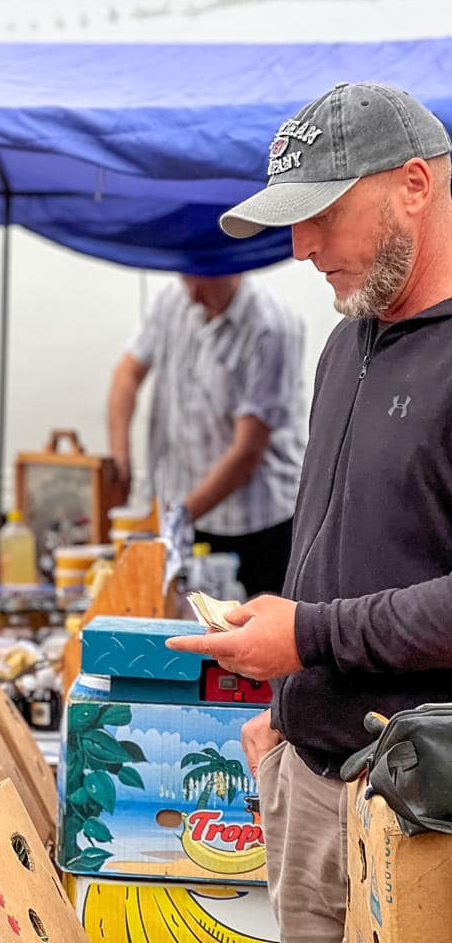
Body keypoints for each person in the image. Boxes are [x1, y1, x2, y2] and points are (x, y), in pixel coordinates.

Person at [168, 82, 452, 943]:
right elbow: (342, 543)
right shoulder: (348, 341)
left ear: (413, 185)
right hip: (312, 782)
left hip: (422, 812)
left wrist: (311, 637)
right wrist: (291, 710)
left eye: (321, 212)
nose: (299, 247)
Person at [106, 272, 306, 596]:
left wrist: (176, 518)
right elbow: (126, 375)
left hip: (256, 525)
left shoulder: (272, 326)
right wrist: (120, 457)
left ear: (235, 267)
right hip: (187, 517)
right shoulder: (173, 298)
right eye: (187, 280)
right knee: (181, 630)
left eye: (204, 281)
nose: (194, 295)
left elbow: (246, 452)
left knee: (250, 633)